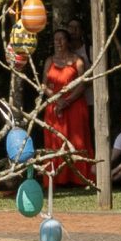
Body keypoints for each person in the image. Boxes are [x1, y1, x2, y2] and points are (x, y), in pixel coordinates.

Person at [41, 21, 94, 188]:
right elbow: (44, 85)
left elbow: (83, 83)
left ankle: (81, 177)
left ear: (67, 41)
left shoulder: (77, 60)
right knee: (55, 141)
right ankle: (57, 178)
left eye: (62, 39)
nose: (59, 42)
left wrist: (68, 100)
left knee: (78, 141)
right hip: (55, 106)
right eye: (56, 39)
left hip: (75, 105)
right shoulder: (49, 61)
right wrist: (57, 100)